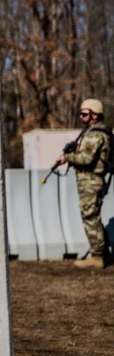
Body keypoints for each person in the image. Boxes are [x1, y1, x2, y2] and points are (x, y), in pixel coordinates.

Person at [58, 98, 113, 269]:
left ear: (94, 115)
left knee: (90, 217)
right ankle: (104, 254)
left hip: (90, 181)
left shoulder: (95, 134)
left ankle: (97, 257)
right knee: (93, 217)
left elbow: (86, 158)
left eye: (84, 114)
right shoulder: (93, 132)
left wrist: (67, 157)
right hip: (89, 181)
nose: (81, 117)